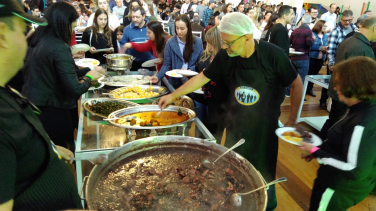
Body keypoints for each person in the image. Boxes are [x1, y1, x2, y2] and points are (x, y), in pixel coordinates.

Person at [157, 12, 303, 210]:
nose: (224, 47)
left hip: (264, 129)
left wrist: (292, 120)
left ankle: (266, 205)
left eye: (228, 43)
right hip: (235, 122)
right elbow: (203, 77)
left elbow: (296, 84)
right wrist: (173, 95)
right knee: (232, 168)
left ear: (247, 38)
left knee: (262, 171)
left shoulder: (273, 55)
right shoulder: (227, 55)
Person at [0, 1, 89, 210]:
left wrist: (49, 149)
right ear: (2, 34)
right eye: (23, 32)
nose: (27, 42)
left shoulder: (7, 93)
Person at [22, 2, 105, 153]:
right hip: (53, 110)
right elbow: (74, 88)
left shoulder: (38, 38)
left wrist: (90, 69)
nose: (71, 31)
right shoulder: (59, 47)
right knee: (65, 152)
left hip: (35, 106)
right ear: (62, 24)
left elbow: (64, 73)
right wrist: (89, 77)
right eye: (71, 26)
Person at [298, 56, 376, 211]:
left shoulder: (362, 122)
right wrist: (319, 152)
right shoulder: (364, 108)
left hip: (337, 189)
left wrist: (315, 151)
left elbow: (354, 169)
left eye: (339, 83)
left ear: (354, 85)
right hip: (342, 183)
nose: (335, 88)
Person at [321, 15, 376, 140]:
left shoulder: (351, 40)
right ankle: (322, 147)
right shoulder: (360, 47)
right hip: (348, 93)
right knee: (337, 122)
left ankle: (320, 146)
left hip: (342, 90)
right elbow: (357, 76)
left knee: (334, 119)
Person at [149, 14, 203, 88]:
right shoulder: (170, 42)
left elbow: (200, 62)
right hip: (175, 82)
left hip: (192, 81)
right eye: (177, 28)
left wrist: (190, 70)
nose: (179, 31)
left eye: (182, 28)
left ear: (188, 28)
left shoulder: (197, 42)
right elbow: (166, 64)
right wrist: (158, 77)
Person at [194, 25, 225, 140]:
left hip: (218, 104)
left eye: (211, 44)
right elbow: (197, 70)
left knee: (213, 135)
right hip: (202, 97)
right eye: (207, 43)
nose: (209, 47)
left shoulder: (225, 59)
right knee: (201, 130)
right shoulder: (205, 55)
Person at [120, 6, 156, 71]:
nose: (135, 19)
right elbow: (122, 45)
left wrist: (150, 43)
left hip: (150, 62)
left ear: (143, 16)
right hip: (133, 63)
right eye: (133, 17)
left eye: (137, 17)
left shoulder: (151, 27)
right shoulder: (127, 29)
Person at [287, 14, 314, 98]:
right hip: (303, 57)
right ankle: (297, 96)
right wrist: (313, 39)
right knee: (301, 78)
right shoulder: (308, 31)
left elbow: (289, 42)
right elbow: (309, 43)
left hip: (293, 57)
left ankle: (288, 92)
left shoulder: (295, 30)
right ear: (310, 21)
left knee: (291, 76)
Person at [306, 20, 328, 97]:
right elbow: (309, 46)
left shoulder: (326, 35)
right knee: (308, 73)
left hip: (321, 58)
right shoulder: (312, 34)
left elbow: (326, 44)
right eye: (324, 26)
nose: (326, 28)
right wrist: (320, 48)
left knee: (314, 74)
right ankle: (304, 89)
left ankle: (310, 89)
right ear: (320, 26)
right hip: (312, 57)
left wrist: (326, 48)